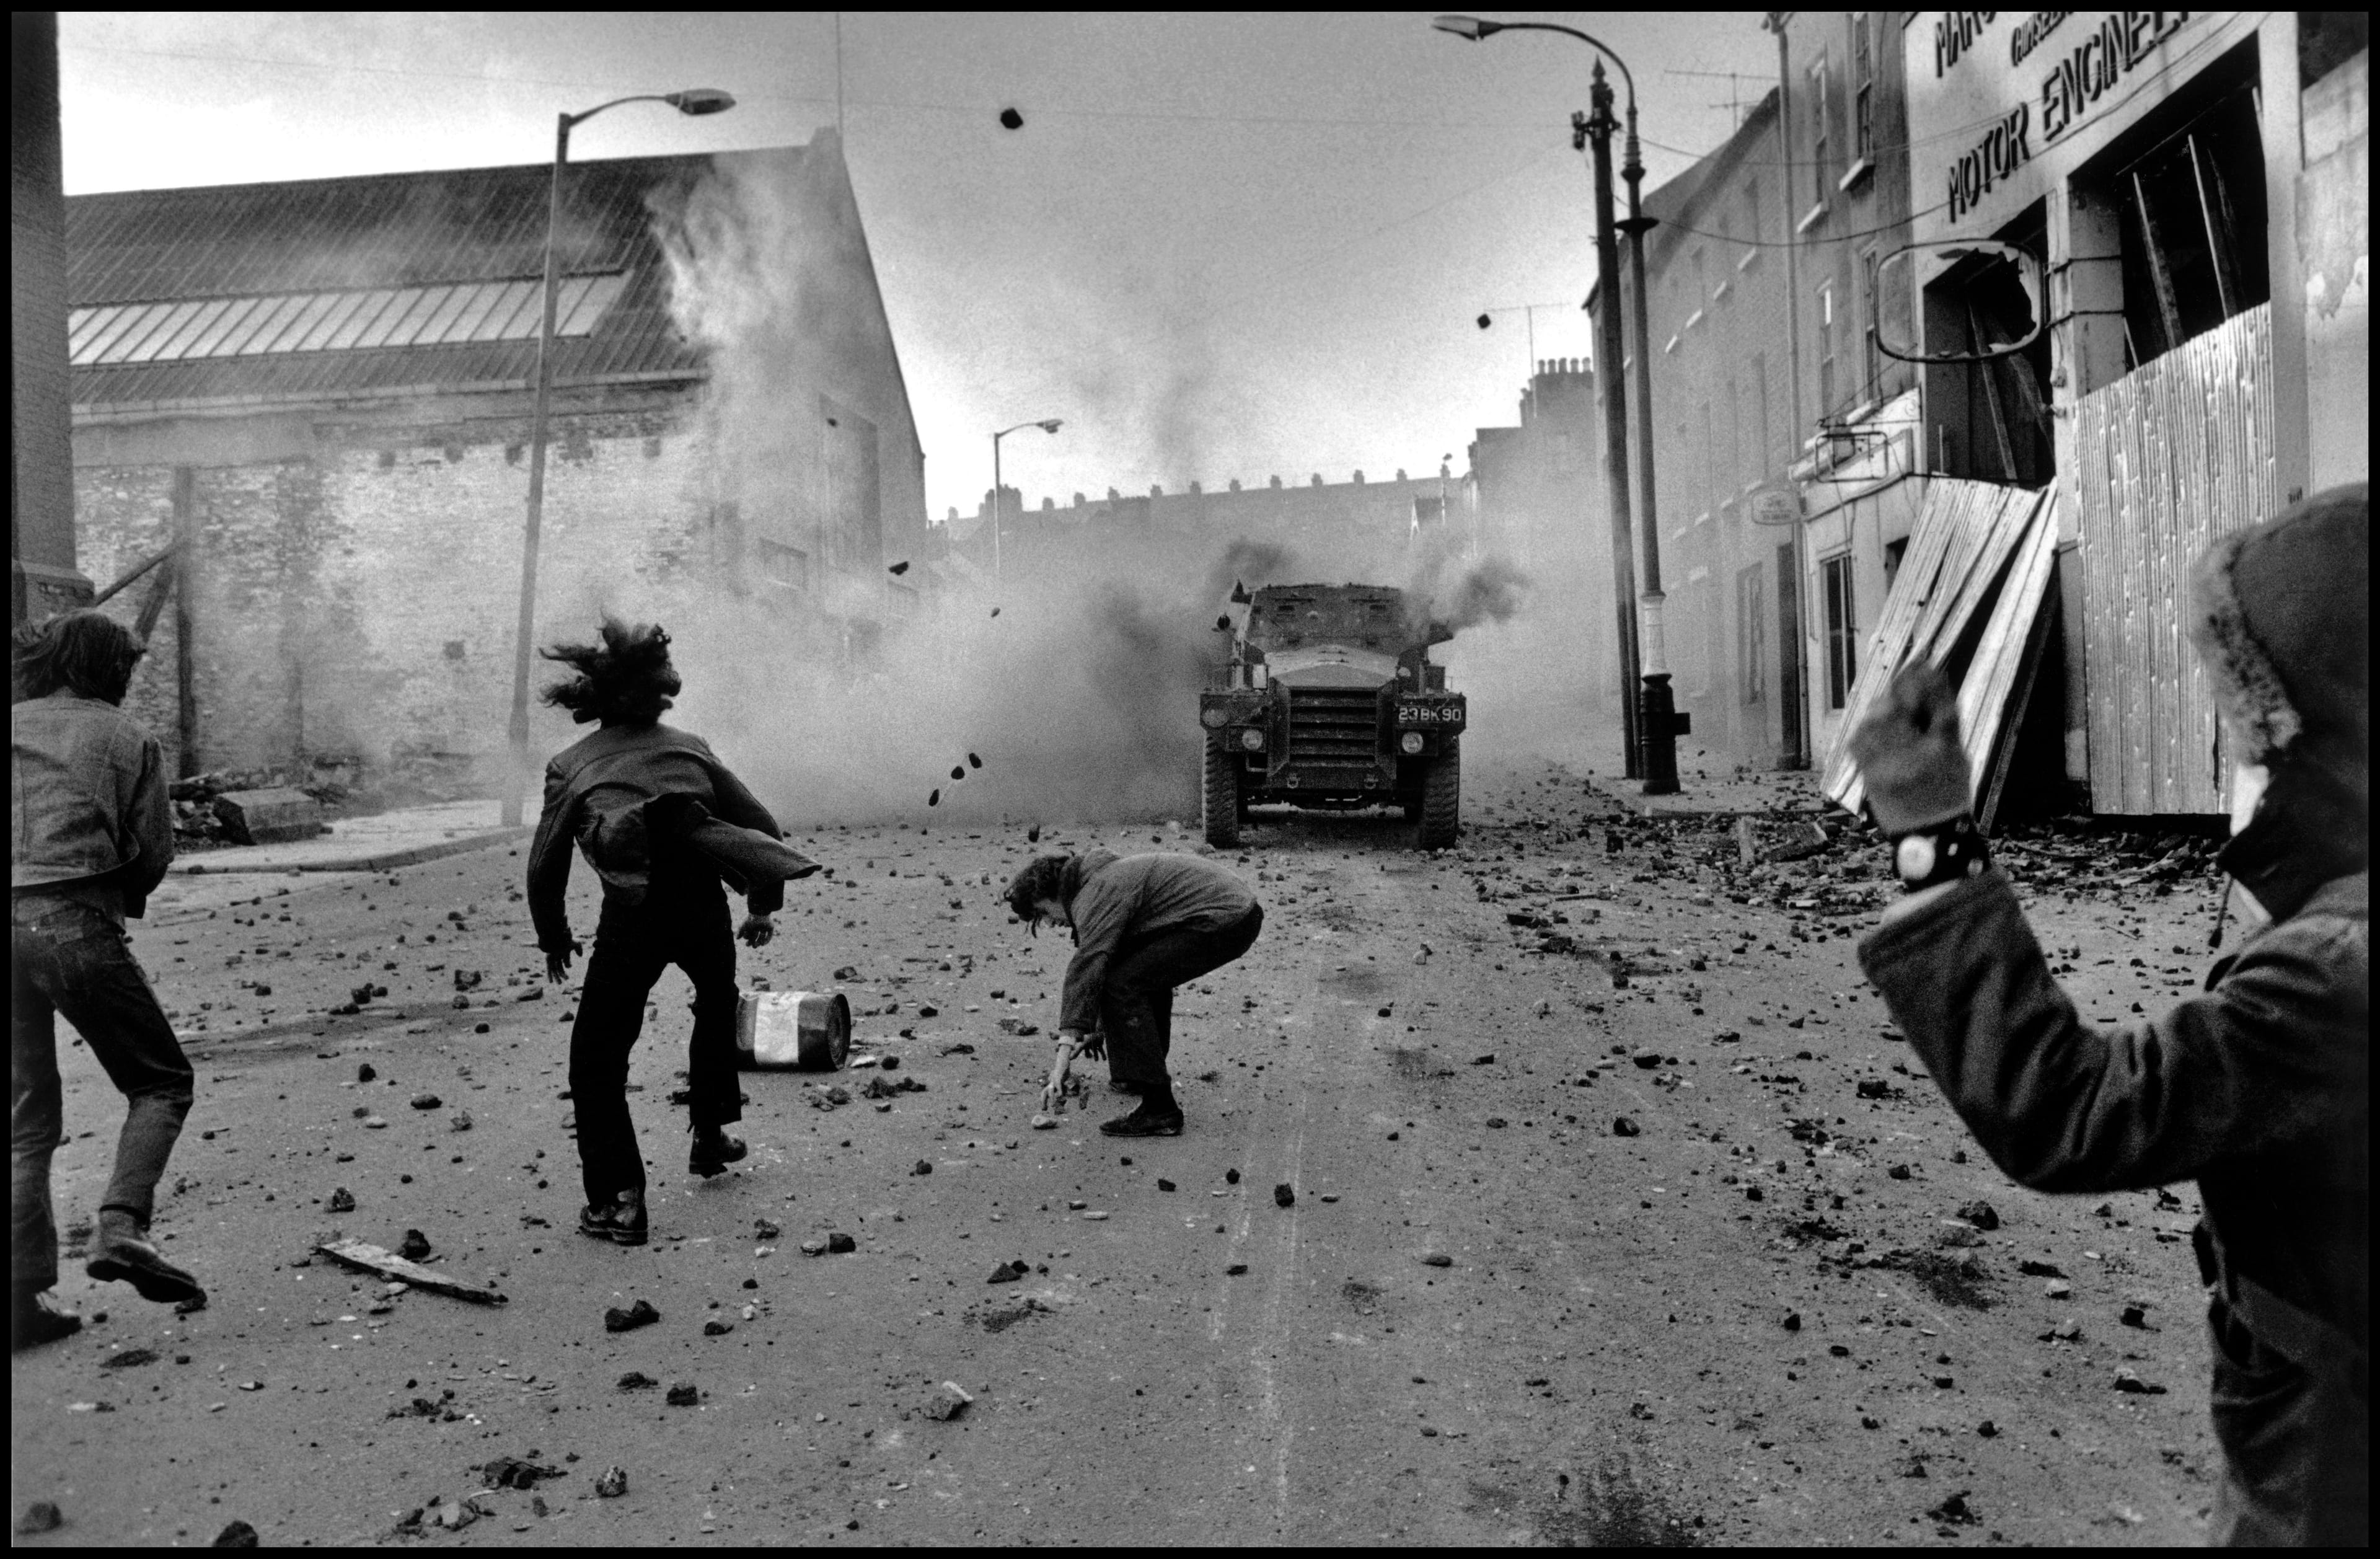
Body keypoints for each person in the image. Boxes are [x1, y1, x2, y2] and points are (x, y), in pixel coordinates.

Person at [1848, 484, 2366, 1546]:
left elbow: (2069, 1108)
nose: (2241, 740)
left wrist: (1932, 840)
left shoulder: (2333, 976)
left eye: (2250, 698)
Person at [526, 617, 819, 1247]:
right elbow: (761, 823)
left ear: (593, 699)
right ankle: (710, 1138)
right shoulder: (690, 747)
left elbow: (546, 863)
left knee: (597, 1059)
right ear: (659, 691)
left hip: (631, 917)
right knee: (716, 1006)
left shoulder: (570, 765)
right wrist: (762, 906)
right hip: (701, 907)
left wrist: (554, 938)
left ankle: (620, 1202)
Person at [12, 610, 206, 1350]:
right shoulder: (126, 737)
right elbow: (151, 853)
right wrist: (110, 896)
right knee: (159, 1082)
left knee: (24, 1119)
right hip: (74, 925)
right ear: (108, 670)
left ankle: (20, 1300)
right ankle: (121, 1226)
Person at [1003, 849, 1263, 1137]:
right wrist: (1096, 1031)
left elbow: (1088, 967)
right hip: (1235, 913)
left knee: (1123, 985)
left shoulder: (1097, 892)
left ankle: (1159, 1109)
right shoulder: (1099, 878)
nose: (1052, 923)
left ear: (1051, 893)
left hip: (1224, 921)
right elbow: (1118, 957)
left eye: (1043, 913)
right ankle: (1141, 1076)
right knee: (1138, 974)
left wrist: (1062, 1059)